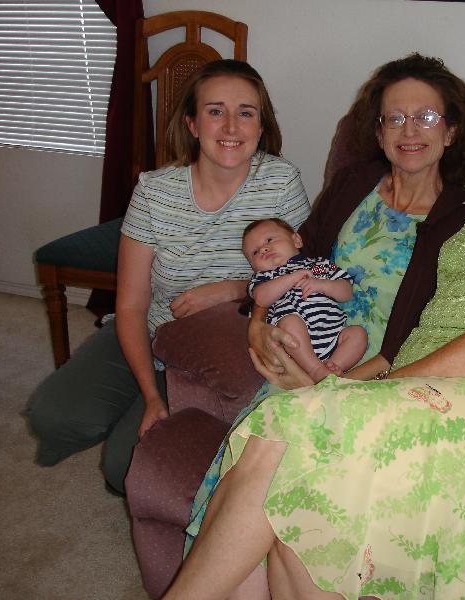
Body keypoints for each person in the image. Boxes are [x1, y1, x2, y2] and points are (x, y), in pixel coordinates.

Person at [167, 31, 465, 600]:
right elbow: (308, 266)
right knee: (303, 505)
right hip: (435, 384)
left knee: (289, 430)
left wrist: (385, 385)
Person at [171, 51, 465, 595]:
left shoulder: (462, 218)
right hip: (303, 348)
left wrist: (333, 386)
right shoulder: (354, 182)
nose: (409, 131)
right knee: (248, 506)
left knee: (275, 477)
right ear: (378, 131)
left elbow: (428, 336)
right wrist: (258, 321)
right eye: (394, 118)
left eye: (427, 117)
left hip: (376, 379)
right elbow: (296, 257)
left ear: (451, 131)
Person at [26, 60, 310, 495]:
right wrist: (151, 396)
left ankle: (139, 428)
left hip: (219, 347)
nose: (231, 126)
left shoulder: (281, 182)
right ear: (192, 124)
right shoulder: (154, 191)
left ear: (261, 125)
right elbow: (131, 304)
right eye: (215, 111)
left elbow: (301, 274)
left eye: (245, 112)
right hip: (152, 326)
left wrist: (232, 290)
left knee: (124, 466)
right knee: (53, 416)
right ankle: (138, 400)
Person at [243, 218, 367, 382]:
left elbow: (347, 292)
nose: (263, 249)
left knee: (358, 334)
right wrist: (293, 278)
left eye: (269, 240)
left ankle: (332, 368)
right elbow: (261, 299)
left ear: (296, 240)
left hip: (333, 335)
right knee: (290, 322)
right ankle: (315, 370)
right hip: (294, 348)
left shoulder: (319, 265)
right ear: (253, 266)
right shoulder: (264, 278)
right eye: (255, 252)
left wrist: (323, 285)